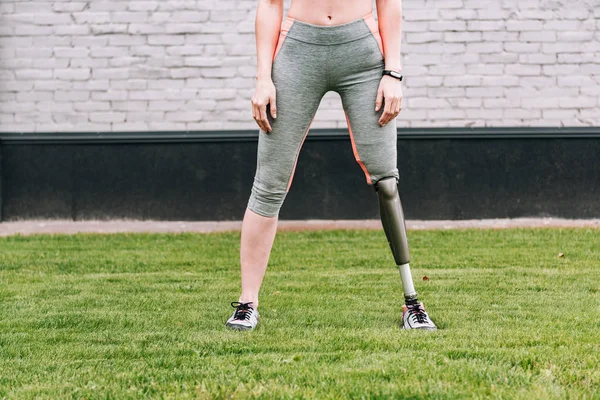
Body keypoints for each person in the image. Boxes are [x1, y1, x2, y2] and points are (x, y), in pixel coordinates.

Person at [225, 0, 437, 331]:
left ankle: (412, 302)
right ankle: (247, 303)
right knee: (269, 182)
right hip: (297, 50)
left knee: (386, 180)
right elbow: (269, 4)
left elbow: (389, 3)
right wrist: (263, 78)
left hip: (362, 54)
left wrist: (393, 71)